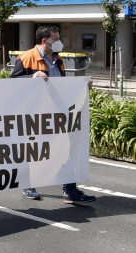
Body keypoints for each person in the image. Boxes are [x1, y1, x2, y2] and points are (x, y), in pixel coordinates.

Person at [12, 26, 96, 205]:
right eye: (56, 39)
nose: (59, 42)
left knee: (67, 149)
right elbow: (12, 84)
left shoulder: (59, 60)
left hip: (56, 114)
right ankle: (28, 184)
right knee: (32, 150)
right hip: (34, 114)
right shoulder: (26, 58)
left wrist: (81, 87)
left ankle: (70, 190)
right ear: (45, 41)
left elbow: (61, 86)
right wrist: (31, 78)